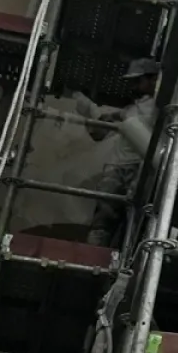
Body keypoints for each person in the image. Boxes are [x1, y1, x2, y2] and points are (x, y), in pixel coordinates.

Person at [72, 56, 160, 244]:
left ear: (153, 79)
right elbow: (99, 132)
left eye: (138, 81)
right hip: (117, 168)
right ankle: (93, 255)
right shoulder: (129, 110)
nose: (134, 86)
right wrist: (91, 112)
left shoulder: (161, 109)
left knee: (136, 222)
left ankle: (123, 260)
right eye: (132, 82)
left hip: (143, 168)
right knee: (104, 217)